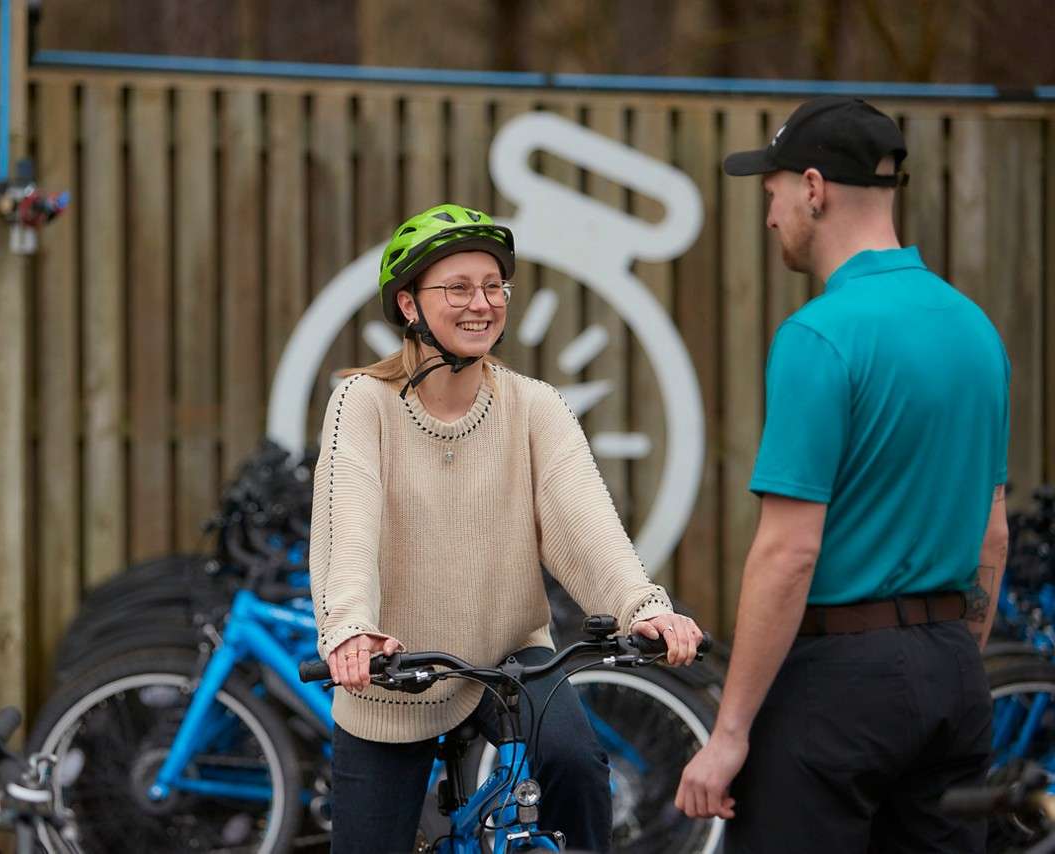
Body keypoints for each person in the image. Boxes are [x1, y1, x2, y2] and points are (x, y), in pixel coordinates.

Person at [309, 203, 704, 854]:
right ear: (408, 305)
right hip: (392, 671)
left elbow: (587, 525)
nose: (482, 304)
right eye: (458, 288)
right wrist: (350, 628)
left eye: (494, 287)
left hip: (508, 658)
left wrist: (642, 608)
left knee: (579, 767)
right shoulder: (363, 403)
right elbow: (345, 522)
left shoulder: (535, 405)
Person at [674, 96, 1011, 851]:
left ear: (815, 188)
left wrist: (729, 734)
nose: (770, 217)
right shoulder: (974, 328)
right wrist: (950, 661)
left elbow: (789, 552)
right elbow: (992, 536)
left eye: (773, 193)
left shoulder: (820, 335)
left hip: (839, 686)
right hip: (956, 673)